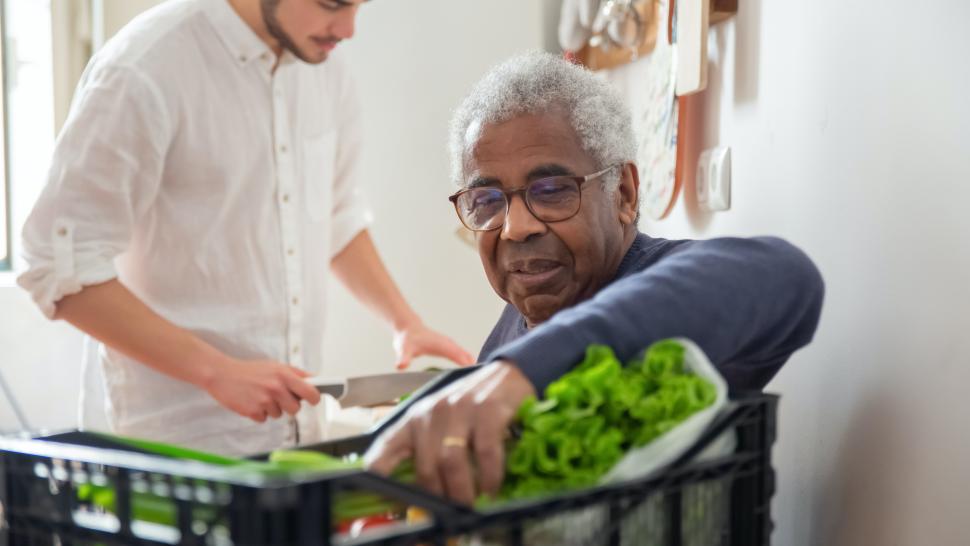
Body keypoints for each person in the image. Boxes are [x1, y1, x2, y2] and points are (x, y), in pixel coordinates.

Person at [365, 52, 825, 504]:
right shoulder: (511, 330)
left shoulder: (671, 291)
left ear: (623, 193)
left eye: (552, 191)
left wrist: (526, 370)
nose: (516, 227)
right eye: (487, 200)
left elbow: (788, 276)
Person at [17, 0, 473, 456]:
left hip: (296, 440)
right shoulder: (143, 67)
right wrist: (216, 370)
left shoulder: (326, 71)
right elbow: (59, 267)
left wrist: (404, 323)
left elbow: (336, 216)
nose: (350, 28)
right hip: (169, 449)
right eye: (332, 3)